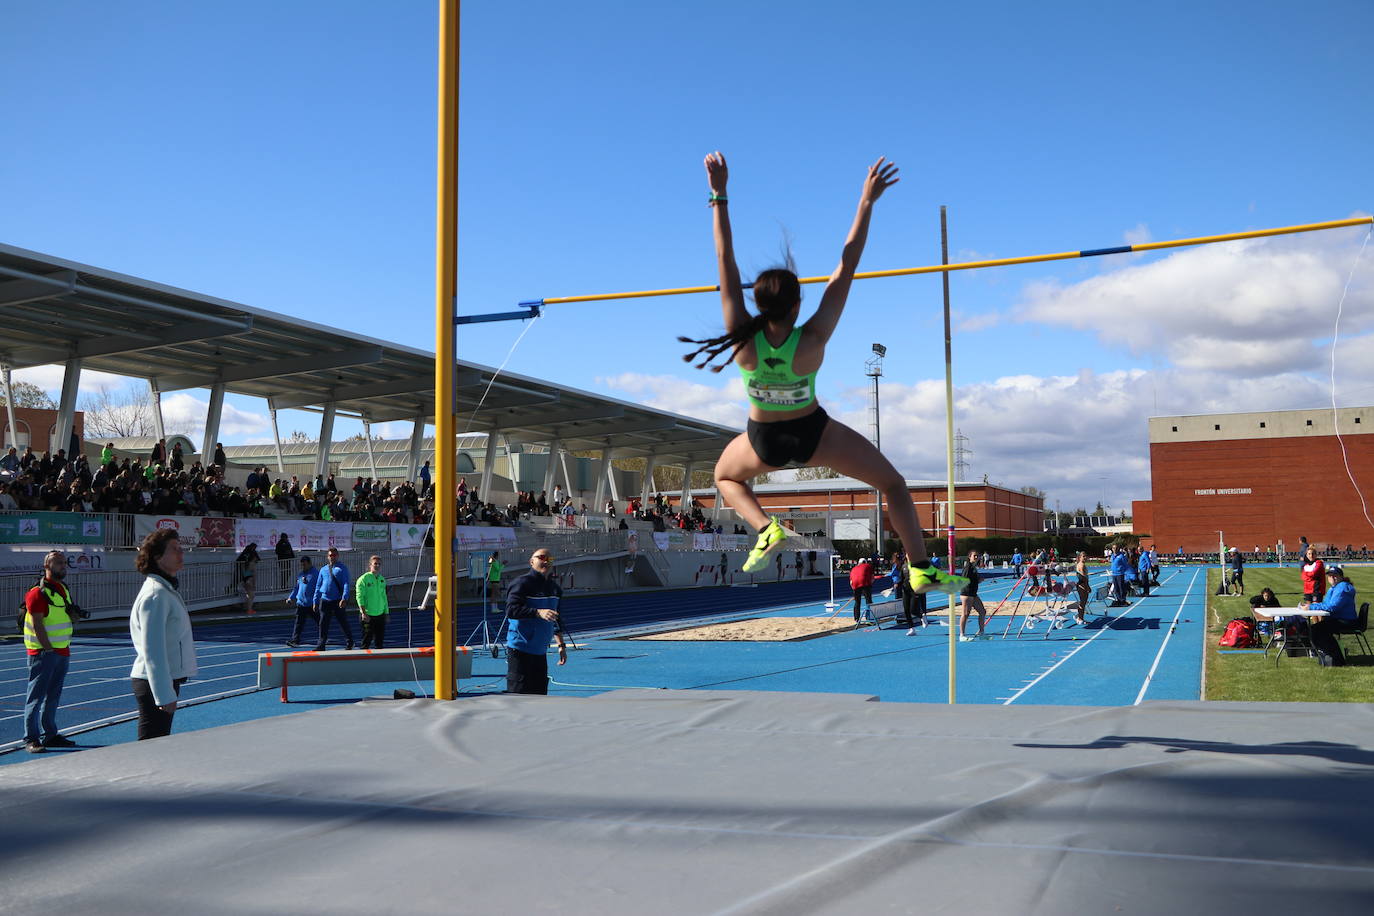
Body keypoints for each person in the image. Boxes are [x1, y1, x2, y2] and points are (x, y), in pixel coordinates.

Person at [683, 152, 966, 598]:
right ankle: (921, 568)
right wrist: (866, 202)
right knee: (893, 485)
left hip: (763, 440)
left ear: (755, 304)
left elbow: (725, 260)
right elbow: (847, 264)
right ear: (797, 305)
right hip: (816, 433)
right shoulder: (812, 337)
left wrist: (719, 194)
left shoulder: (743, 341)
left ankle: (764, 529)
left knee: (725, 477)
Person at [129, 528, 197, 740]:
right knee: (151, 747)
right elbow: (153, 650)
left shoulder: (164, 590)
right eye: (174, 549)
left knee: (157, 744)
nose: (181, 554)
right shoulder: (156, 594)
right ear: (158, 557)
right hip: (153, 682)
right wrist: (164, 694)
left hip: (163, 680)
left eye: (181, 549)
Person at [22, 550, 78, 752]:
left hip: (62, 650)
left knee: (53, 695)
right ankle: (31, 738)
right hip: (44, 652)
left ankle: (50, 734)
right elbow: (37, 624)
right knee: (36, 697)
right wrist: (48, 648)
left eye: (64, 562)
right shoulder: (37, 592)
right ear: (47, 566)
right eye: (58, 563)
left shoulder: (62, 588)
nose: (63, 566)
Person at [504, 549, 568, 695]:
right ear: (531, 561)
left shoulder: (555, 589)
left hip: (540, 652)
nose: (546, 561)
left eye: (550, 559)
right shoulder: (521, 583)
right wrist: (538, 612)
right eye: (542, 557)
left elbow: (556, 618)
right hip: (520, 650)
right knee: (518, 697)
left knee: (539, 698)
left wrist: (561, 645)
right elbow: (511, 610)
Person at [1300, 565, 1358, 667]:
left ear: (1341, 577)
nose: (1332, 577)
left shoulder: (1342, 588)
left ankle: (1336, 659)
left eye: (1335, 575)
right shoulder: (1335, 588)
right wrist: (1311, 606)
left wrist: (1311, 607)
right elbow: (1326, 604)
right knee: (1315, 629)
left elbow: (1332, 607)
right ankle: (1331, 656)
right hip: (1340, 619)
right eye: (1330, 575)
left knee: (1316, 630)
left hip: (1346, 621)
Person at [312, 547, 355, 651]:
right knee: (323, 623)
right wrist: (315, 601)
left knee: (342, 621)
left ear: (338, 556)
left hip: (337, 600)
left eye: (334, 555)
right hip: (325, 600)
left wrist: (344, 598)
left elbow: (346, 584)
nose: (332, 557)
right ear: (328, 557)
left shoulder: (342, 568)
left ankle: (350, 641)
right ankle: (321, 644)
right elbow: (318, 586)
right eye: (330, 555)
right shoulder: (323, 569)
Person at [285, 555, 320, 648]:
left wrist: (316, 601)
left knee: (320, 622)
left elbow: (318, 588)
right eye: (302, 565)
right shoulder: (300, 574)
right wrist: (290, 598)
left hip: (311, 604)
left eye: (304, 564)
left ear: (309, 563)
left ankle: (323, 638)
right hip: (301, 603)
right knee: (298, 623)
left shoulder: (316, 574)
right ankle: (295, 641)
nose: (303, 567)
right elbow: (296, 588)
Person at [355, 555, 389, 649]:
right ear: (370, 565)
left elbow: (384, 597)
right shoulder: (363, 579)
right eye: (375, 564)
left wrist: (386, 613)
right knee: (366, 641)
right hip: (368, 615)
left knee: (379, 642)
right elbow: (360, 597)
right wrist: (363, 613)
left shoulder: (382, 579)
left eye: (379, 564)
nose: (377, 565)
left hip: (380, 615)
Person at [958, 551, 987, 641]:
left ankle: (981, 633)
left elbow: (972, 579)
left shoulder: (974, 567)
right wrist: (976, 580)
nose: (976, 557)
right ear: (969, 557)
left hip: (973, 594)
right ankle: (962, 635)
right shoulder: (968, 567)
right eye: (974, 556)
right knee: (966, 614)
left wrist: (978, 580)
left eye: (977, 556)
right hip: (967, 593)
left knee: (982, 611)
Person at [849, 557, 875, 625]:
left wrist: (854, 590)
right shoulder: (868, 566)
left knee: (857, 602)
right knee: (868, 601)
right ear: (865, 562)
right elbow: (872, 578)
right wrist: (870, 585)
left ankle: (856, 618)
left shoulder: (854, 569)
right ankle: (869, 618)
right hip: (865, 584)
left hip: (855, 584)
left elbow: (851, 582)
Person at [235, 542, 259, 614]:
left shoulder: (245, 564)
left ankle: (249, 608)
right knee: (251, 595)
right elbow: (254, 574)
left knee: (250, 595)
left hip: (246, 578)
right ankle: (249, 609)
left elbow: (245, 573)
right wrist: (254, 584)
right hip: (249, 579)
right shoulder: (252, 564)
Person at [1072, 551, 1090, 623]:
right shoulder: (1081, 565)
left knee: (1083, 602)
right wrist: (1087, 586)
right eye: (1083, 556)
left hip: (1082, 585)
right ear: (1080, 557)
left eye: (1086, 556)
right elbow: (1083, 577)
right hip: (1082, 585)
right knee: (1082, 602)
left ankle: (1080, 617)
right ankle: (1080, 618)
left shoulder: (1081, 564)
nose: (1085, 558)